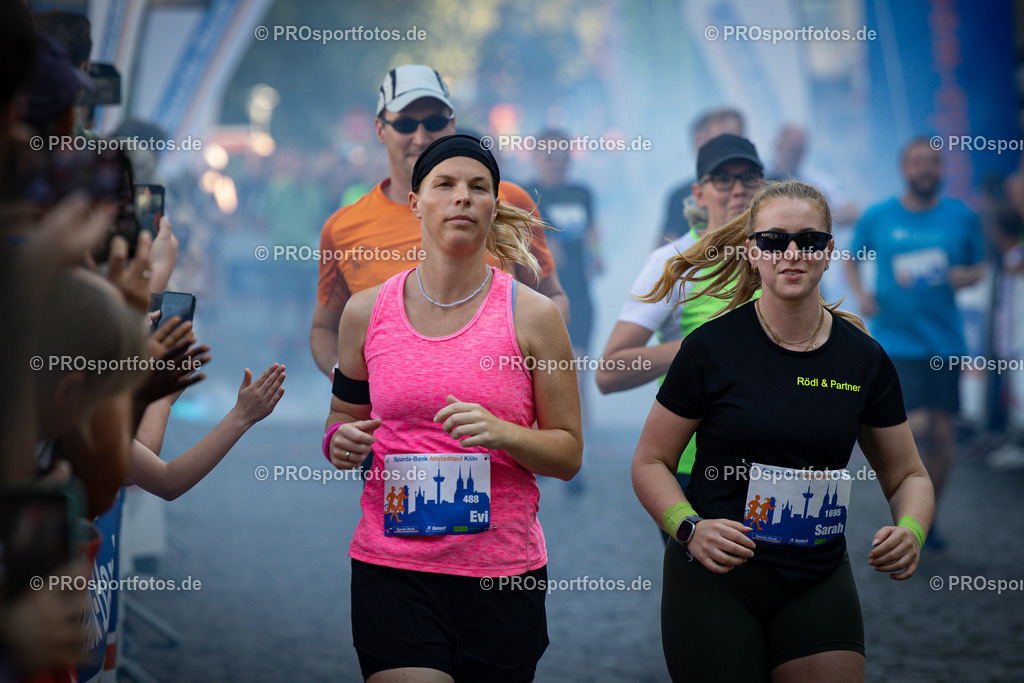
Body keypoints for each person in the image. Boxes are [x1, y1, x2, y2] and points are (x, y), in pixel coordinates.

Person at [632, 180, 934, 681]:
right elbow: (650, 462)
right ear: (752, 252)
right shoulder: (710, 348)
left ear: (828, 252)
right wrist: (688, 526)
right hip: (715, 576)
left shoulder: (863, 358)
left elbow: (908, 476)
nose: (791, 253)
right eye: (774, 241)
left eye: (809, 241)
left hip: (817, 576)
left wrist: (912, 530)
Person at [323, 134, 582, 681]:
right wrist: (338, 443)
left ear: (494, 206)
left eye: (478, 187)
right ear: (416, 202)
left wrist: (503, 433)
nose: (462, 197)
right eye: (445, 184)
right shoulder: (366, 312)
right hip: (393, 567)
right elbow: (343, 419)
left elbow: (567, 454)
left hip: (501, 573)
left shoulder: (534, 316)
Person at [311, 64, 569, 379]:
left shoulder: (503, 201)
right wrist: (351, 382)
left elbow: (552, 298)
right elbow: (324, 328)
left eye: (434, 122)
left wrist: (529, 370)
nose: (420, 137)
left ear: (452, 126)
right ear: (380, 129)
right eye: (405, 124)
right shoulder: (343, 228)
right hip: (387, 424)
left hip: (500, 422)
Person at [598, 134, 764, 529]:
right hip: (696, 467)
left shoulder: (786, 255)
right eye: (722, 179)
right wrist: (701, 346)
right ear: (699, 192)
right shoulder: (672, 263)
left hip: (780, 466)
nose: (738, 189)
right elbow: (609, 372)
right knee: (705, 588)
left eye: (749, 178)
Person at [846, 138, 985, 548]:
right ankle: (904, 512)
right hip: (894, 341)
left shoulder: (962, 217)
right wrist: (862, 295)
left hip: (943, 342)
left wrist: (966, 277)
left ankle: (927, 518)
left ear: (941, 170)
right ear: (903, 168)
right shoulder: (879, 216)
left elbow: (979, 267)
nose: (925, 169)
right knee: (908, 429)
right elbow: (853, 258)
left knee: (942, 434)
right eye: (917, 162)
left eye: (933, 163)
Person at [526, 129, 602, 355]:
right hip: (540, 293)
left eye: (561, 156)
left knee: (579, 361)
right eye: (549, 156)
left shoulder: (582, 193)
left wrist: (597, 256)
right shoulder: (525, 193)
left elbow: (591, 231)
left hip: (579, 291)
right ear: (536, 158)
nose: (556, 163)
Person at [658, 107, 745, 244]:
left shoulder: (766, 191)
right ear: (700, 142)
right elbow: (663, 257)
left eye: (739, 139)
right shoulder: (679, 199)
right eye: (724, 141)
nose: (735, 148)